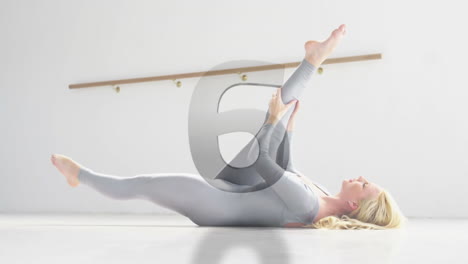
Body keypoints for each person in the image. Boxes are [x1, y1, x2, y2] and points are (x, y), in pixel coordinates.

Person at [51, 24, 408, 229]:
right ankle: (312, 60)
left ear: (353, 206)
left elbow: (265, 166)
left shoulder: (307, 206)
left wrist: (273, 121)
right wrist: (289, 128)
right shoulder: (319, 192)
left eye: (364, 185)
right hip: (240, 185)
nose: (360, 177)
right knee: (278, 119)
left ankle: (80, 176)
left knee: (145, 185)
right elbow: (289, 168)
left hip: (217, 204)